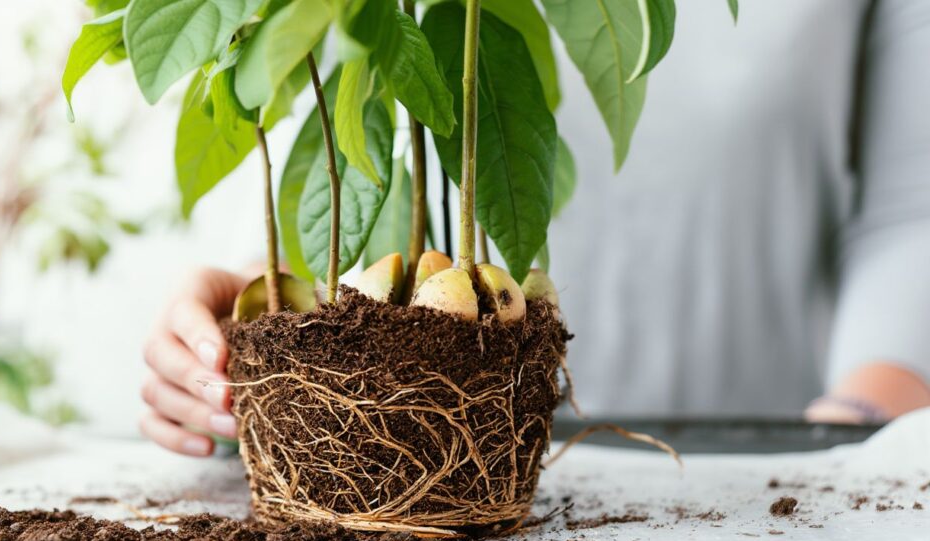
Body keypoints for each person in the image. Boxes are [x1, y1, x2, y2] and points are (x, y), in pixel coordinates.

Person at [139, 0, 930, 456]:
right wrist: (266, 320)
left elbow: (910, 209)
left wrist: (857, 432)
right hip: (443, 464)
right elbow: (356, 150)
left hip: (768, 463)